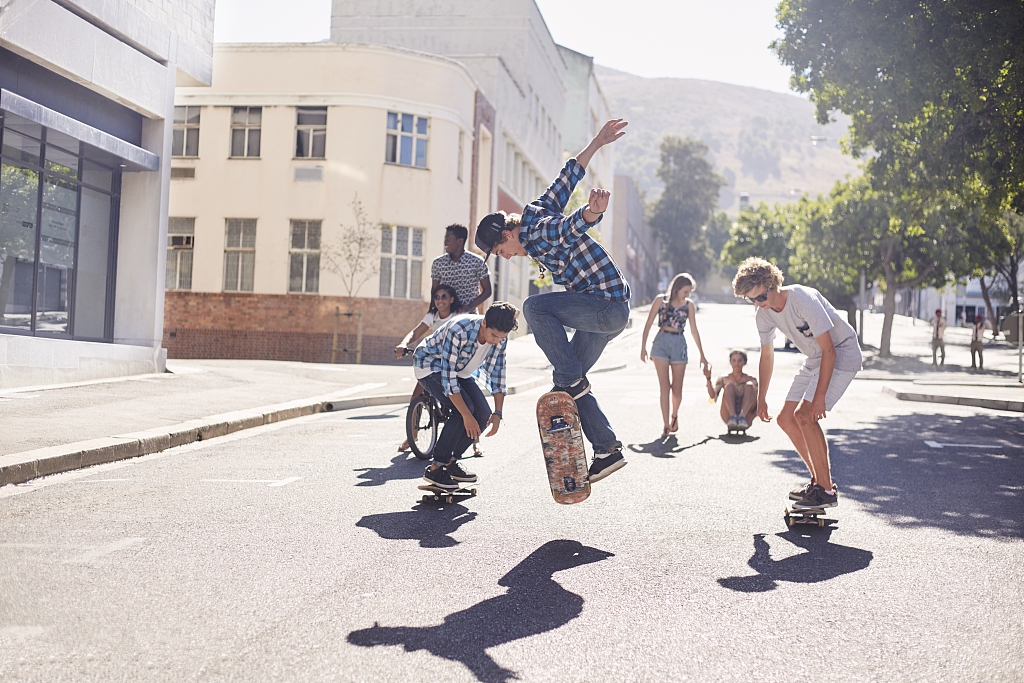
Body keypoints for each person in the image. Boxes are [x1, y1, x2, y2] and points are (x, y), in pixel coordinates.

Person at [473, 118, 630, 483]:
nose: (508, 256)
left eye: (501, 249)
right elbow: (569, 175)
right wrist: (597, 141)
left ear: (508, 232)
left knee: (533, 307)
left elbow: (568, 228)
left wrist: (593, 213)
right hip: (604, 311)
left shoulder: (537, 231)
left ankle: (572, 388)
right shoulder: (538, 209)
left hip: (604, 307)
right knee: (569, 382)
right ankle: (607, 449)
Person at [732, 257, 863, 509]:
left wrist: (820, 397)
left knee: (805, 415)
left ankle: (826, 490)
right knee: (786, 419)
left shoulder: (802, 299)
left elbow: (830, 351)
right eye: (752, 300)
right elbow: (767, 355)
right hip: (816, 357)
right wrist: (761, 399)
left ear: (772, 284)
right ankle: (818, 483)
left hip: (842, 353)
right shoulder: (764, 315)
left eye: (761, 297)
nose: (760, 304)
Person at [413, 302, 519, 491]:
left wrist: (498, 412)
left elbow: (498, 374)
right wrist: (466, 416)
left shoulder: (500, 338)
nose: (496, 341)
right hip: (429, 366)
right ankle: (436, 467)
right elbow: (448, 378)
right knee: (463, 411)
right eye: (494, 335)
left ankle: (451, 463)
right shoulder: (459, 329)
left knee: (483, 415)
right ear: (484, 322)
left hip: (461, 371)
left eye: (501, 337)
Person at [640, 273, 709, 438]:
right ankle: (665, 425)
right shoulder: (660, 300)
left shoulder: (689, 305)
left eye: (689, 291)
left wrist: (702, 355)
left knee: (677, 390)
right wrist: (643, 347)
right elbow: (648, 323)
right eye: (686, 291)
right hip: (661, 343)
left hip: (679, 343)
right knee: (664, 387)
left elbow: (694, 330)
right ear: (677, 288)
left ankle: (674, 416)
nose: (688, 294)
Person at [395, 284, 461, 452]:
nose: (439, 300)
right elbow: (416, 333)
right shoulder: (433, 315)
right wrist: (404, 344)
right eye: (436, 297)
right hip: (432, 363)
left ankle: (474, 440)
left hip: (453, 363)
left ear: (451, 299)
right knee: (415, 397)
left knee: (461, 400)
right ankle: (413, 435)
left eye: (444, 297)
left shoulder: (457, 315)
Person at [431, 224, 491, 314]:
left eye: (448, 240)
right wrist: (432, 312)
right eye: (445, 240)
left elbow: (487, 291)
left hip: (470, 317)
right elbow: (434, 290)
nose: (445, 243)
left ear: (460, 241)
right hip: (446, 317)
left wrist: (469, 307)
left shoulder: (477, 262)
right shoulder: (438, 263)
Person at [705, 350, 758, 430]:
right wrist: (708, 379)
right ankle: (733, 416)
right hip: (728, 414)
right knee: (729, 385)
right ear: (730, 362)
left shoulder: (751, 379)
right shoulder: (724, 378)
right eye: (734, 360)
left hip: (747, 414)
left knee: (750, 385)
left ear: (744, 362)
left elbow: (758, 401)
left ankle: (742, 416)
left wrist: (753, 417)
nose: (737, 364)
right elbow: (713, 396)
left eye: (740, 360)